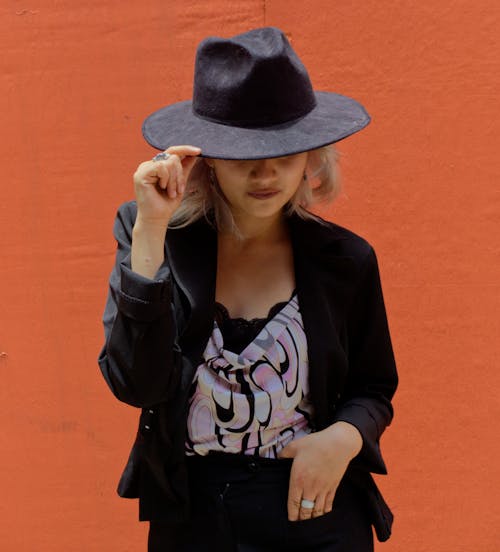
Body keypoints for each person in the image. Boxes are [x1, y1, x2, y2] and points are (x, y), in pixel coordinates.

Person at [98, 26, 398, 552]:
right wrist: (150, 235)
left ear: (313, 154)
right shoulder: (153, 235)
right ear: (206, 155)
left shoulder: (347, 260)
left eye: (286, 151)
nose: (266, 173)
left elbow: (374, 388)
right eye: (242, 153)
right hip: (192, 518)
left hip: (316, 512)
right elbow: (135, 385)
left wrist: (343, 439)